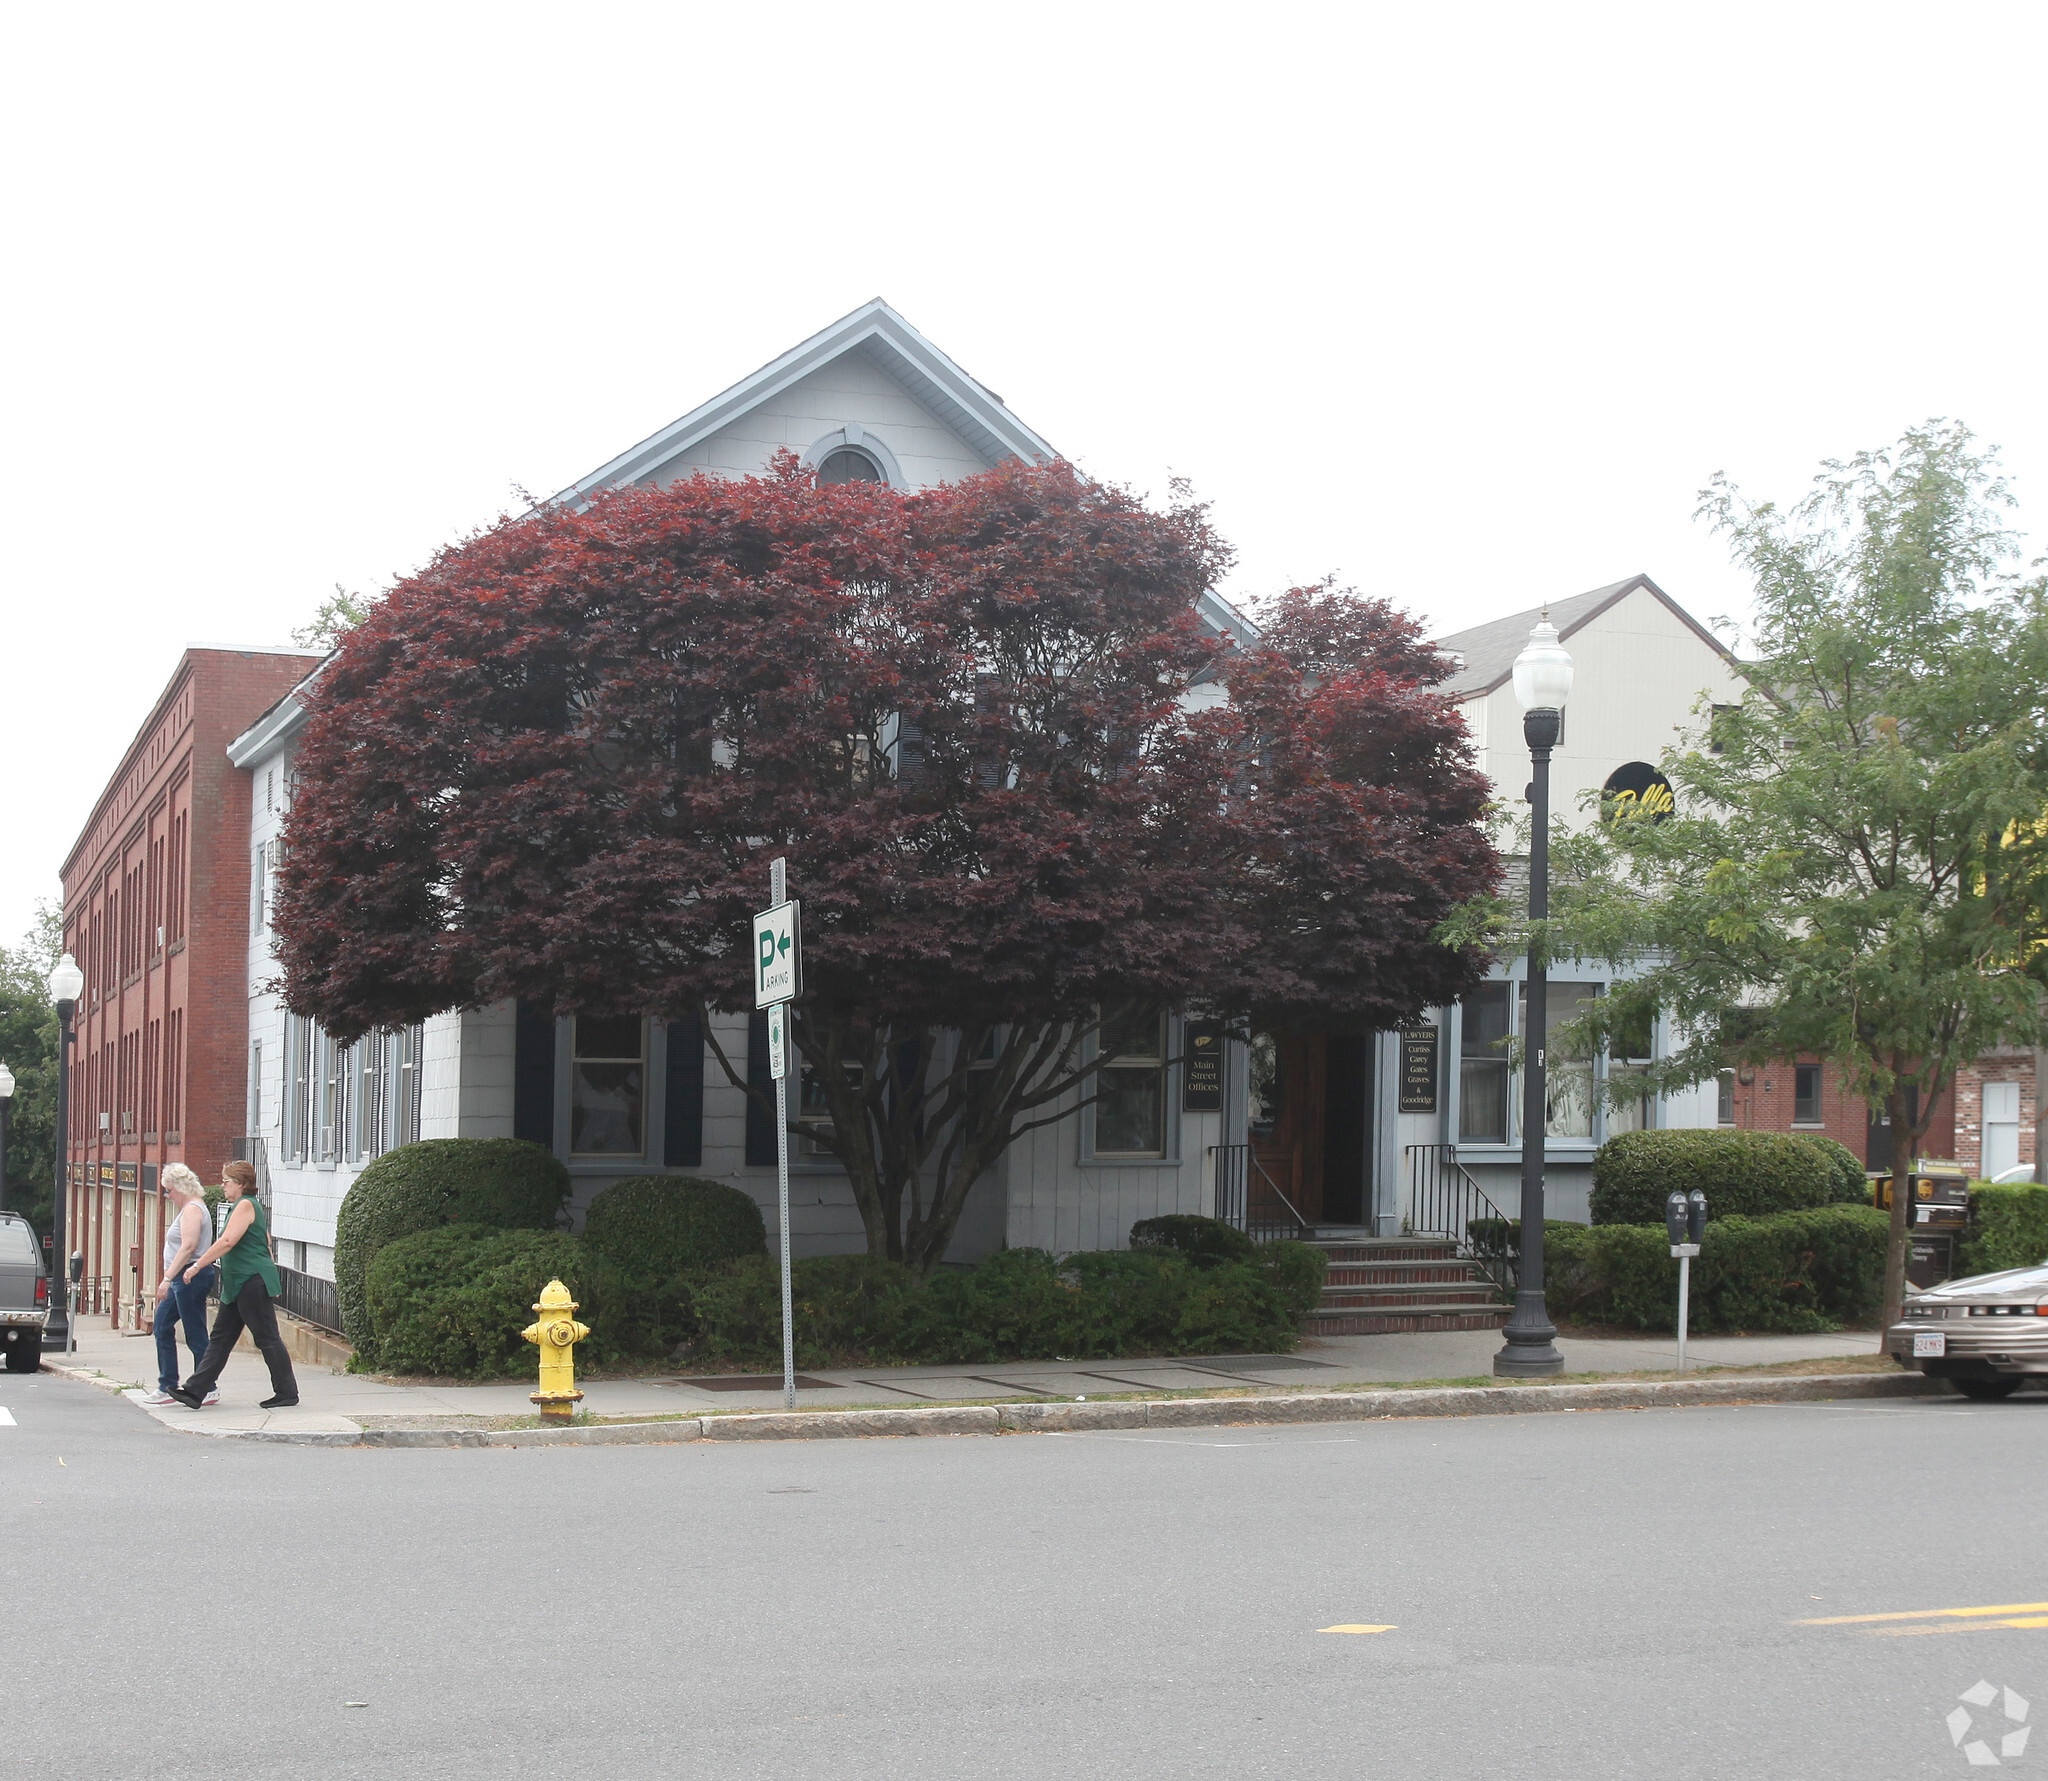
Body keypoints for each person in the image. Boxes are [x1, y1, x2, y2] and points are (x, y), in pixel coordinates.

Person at [169, 1161, 299, 1410]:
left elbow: (227, 1241)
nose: (223, 1185)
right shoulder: (242, 1207)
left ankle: (287, 1392)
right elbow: (265, 1240)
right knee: (220, 1339)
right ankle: (195, 1392)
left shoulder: (246, 1205)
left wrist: (196, 1266)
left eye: (226, 1181)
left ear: (240, 1183)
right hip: (238, 1282)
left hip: (251, 1280)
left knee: (267, 1337)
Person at [138, 1165, 219, 1407]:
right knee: (161, 1325)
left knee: (195, 1333)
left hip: (188, 1277)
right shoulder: (189, 1208)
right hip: (182, 1277)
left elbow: (188, 1246)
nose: (168, 1196)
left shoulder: (193, 1209)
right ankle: (167, 1384)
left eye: (169, 1190)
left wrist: (166, 1278)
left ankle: (207, 1386)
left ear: (180, 1187)